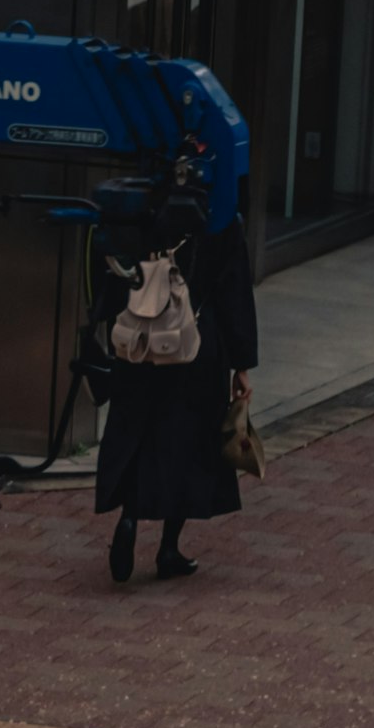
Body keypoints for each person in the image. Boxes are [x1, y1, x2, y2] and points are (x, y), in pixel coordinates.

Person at [86, 192, 257, 583]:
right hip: (195, 342)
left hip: (141, 337)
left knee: (137, 430)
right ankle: (168, 548)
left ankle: (129, 517)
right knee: (188, 442)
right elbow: (234, 289)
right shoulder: (220, 215)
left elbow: (109, 266)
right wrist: (242, 364)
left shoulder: (142, 202)